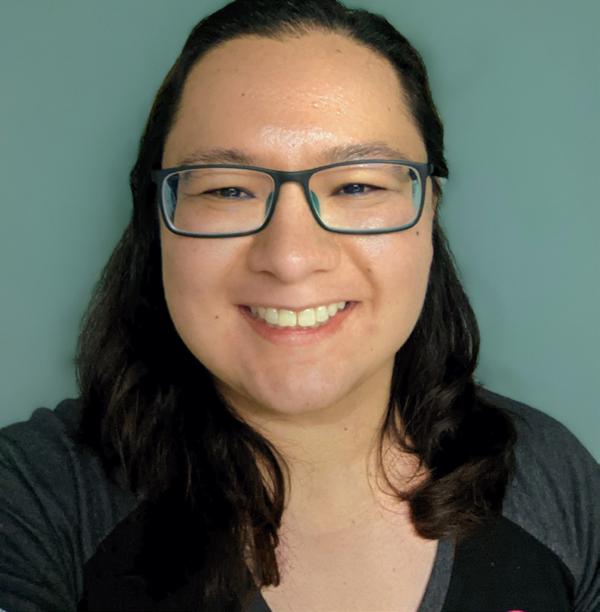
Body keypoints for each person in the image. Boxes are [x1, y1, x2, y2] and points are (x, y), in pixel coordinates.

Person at [1, 1, 598, 610]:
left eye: (358, 185)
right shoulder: (34, 497)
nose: (289, 258)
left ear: (430, 208)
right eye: (227, 189)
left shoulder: (553, 480)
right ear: (157, 220)